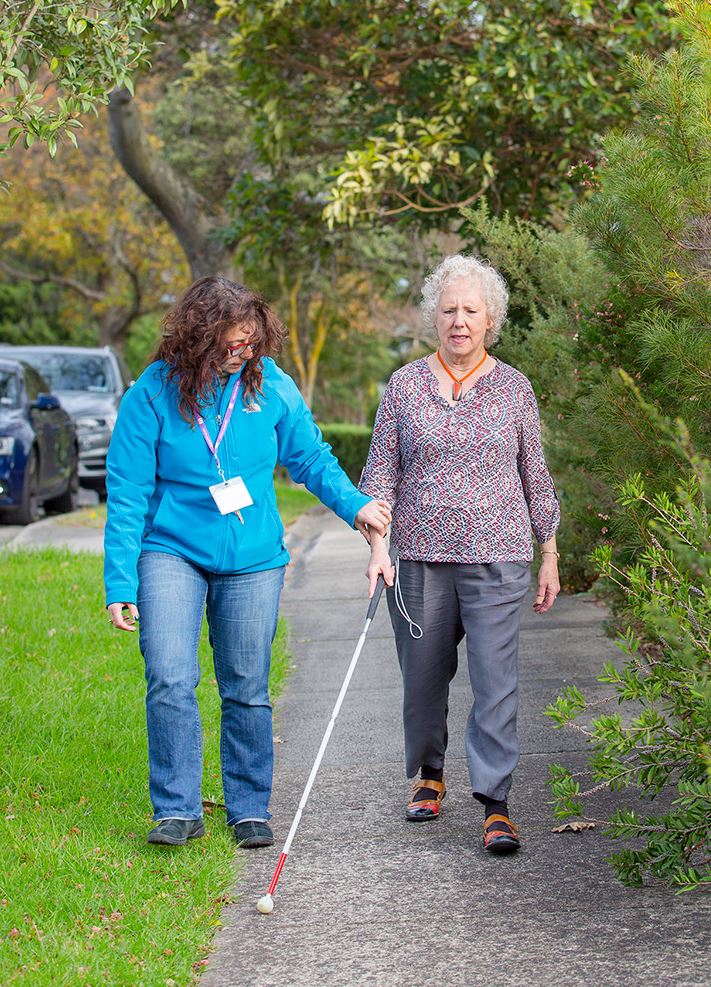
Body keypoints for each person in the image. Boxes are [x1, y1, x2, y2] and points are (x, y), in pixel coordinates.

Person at [104, 276, 391, 849]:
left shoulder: (271, 386)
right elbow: (128, 491)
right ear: (197, 337)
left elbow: (310, 457)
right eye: (230, 344)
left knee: (246, 685)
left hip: (253, 558)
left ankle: (248, 809)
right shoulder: (152, 394)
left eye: (250, 342)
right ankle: (178, 810)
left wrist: (357, 507)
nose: (243, 353)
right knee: (170, 677)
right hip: (171, 550)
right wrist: (119, 580)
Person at [361, 254, 560, 854]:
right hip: (419, 556)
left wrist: (548, 550)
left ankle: (496, 804)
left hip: (498, 556)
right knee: (423, 680)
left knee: (495, 682)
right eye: (448, 310)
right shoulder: (404, 385)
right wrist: (377, 546)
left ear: (491, 318)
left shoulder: (514, 388)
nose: (459, 321)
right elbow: (380, 475)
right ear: (433, 317)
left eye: (471, 310)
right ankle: (428, 774)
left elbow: (536, 477)